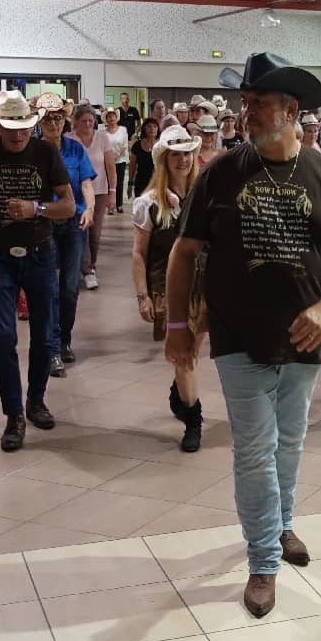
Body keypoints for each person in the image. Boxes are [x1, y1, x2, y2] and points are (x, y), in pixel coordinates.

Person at [166, 52, 321, 618]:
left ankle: (280, 527)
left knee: (291, 440)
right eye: (244, 102)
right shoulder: (221, 172)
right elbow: (185, 252)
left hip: (305, 338)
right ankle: (262, 561)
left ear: (291, 110)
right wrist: (179, 326)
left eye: (257, 103)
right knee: (254, 450)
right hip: (238, 335)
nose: (245, 112)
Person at [0, 90, 74, 452]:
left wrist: (36, 208)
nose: (18, 135)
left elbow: (68, 205)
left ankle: (35, 400)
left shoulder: (46, 152)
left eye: (23, 128)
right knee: (4, 337)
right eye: (11, 129)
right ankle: (13, 415)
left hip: (39, 253)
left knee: (42, 335)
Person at [131, 125, 205, 451]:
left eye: (187, 153)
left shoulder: (205, 196)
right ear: (165, 159)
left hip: (205, 288)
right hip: (167, 290)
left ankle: (181, 397)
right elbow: (139, 253)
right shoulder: (149, 203)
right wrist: (142, 295)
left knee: (190, 354)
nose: (183, 159)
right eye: (176, 154)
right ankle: (194, 420)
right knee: (184, 358)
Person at [34, 94, 96, 379]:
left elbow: (85, 183)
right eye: (48, 118)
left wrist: (90, 209)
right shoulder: (32, 151)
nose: (54, 123)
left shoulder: (75, 149)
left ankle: (65, 337)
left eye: (58, 118)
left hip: (72, 223)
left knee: (70, 286)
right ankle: (53, 348)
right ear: (39, 121)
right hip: (43, 223)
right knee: (48, 287)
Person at [67, 103, 113, 291]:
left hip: (99, 192)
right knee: (80, 231)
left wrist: (113, 192)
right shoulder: (68, 139)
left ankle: (90, 265)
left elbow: (110, 167)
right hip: (75, 194)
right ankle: (86, 271)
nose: (87, 124)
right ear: (75, 122)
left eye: (90, 121)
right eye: (83, 121)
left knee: (94, 234)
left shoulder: (102, 138)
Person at [102, 107, 129, 213]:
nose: (111, 118)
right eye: (109, 117)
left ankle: (119, 204)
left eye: (113, 116)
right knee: (109, 184)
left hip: (120, 160)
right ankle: (110, 206)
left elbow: (125, 144)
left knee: (120, 183)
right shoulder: (103, 133)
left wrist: (116, 155)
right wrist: (109, 158)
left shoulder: (123, 129)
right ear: (106, 119)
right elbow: (102, 146)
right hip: (107, 162)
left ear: (116, 117)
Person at [130, 117, 159, 200]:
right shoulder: (137, 145)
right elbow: (132, 165)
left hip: (158, 183)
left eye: (155, 126)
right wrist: (130, 183)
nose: (152, 129)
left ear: (158, 129)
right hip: (141, 182)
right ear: (144, 128)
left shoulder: (162, 145)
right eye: (149, 126)